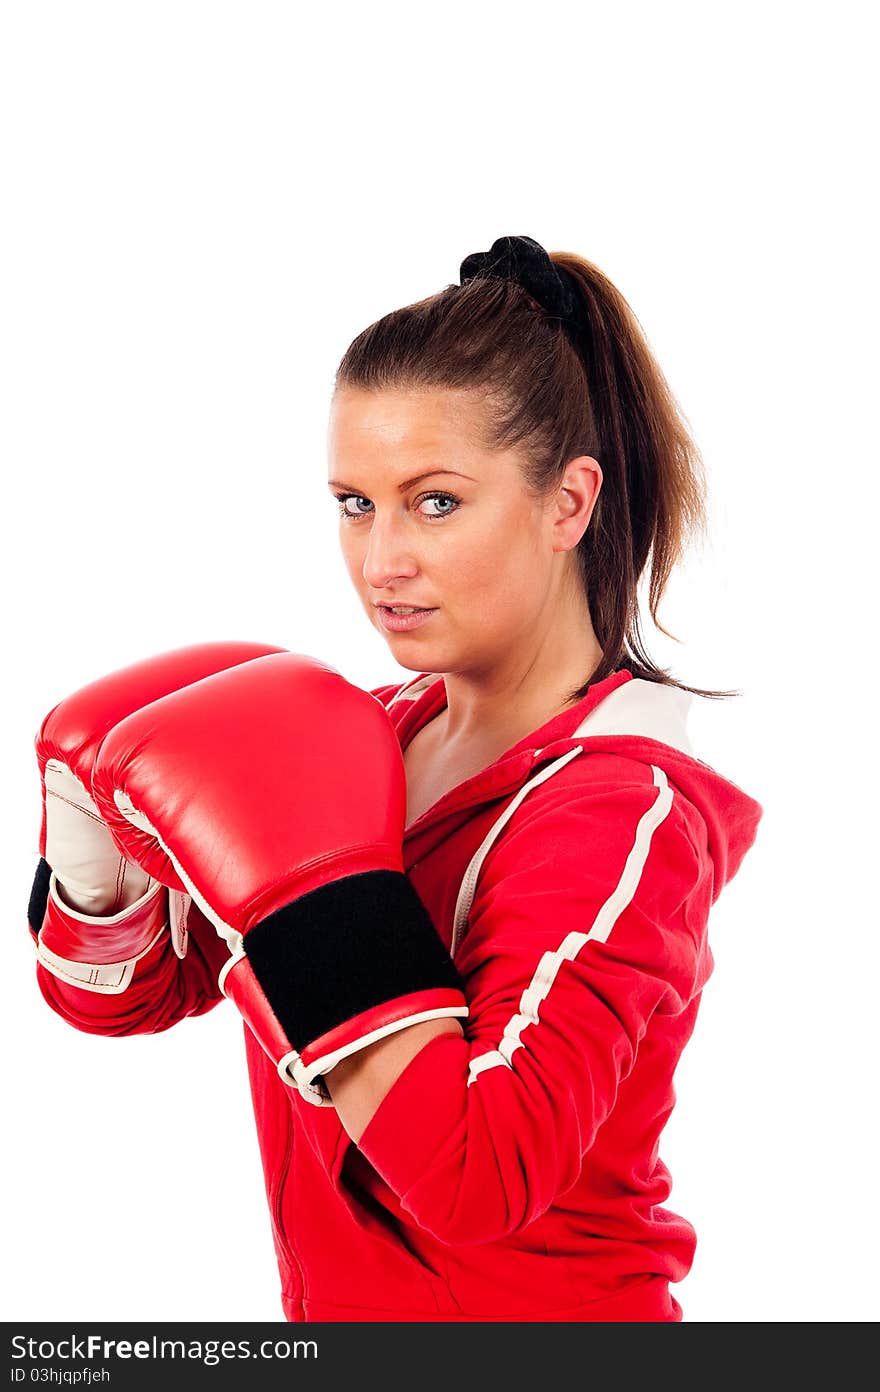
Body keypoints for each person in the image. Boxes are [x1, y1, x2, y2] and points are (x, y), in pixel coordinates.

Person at [28, 235, 764, 1323]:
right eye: (352, 503)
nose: (381, 562)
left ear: (567, 505)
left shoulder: (622, 812)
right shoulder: (362, 738)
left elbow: (483, 1173)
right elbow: (133, 998)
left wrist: (312, 906)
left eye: (434, 502)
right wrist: (91, 861)